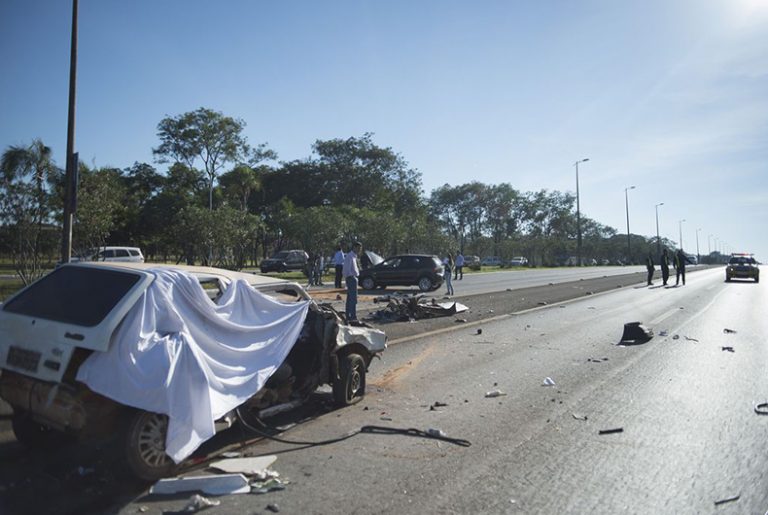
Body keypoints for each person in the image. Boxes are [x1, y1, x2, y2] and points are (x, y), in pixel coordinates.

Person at [343, 241, 362, 321]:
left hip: (354, 278)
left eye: (360, 248)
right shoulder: (349, 256)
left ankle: (349, 315)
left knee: (350, 298)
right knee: (353, 299)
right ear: (354, 247)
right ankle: (352, 316)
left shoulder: (354, 256)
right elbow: (346, 269)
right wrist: (350, 277)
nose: (359, 250)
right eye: (358, 248)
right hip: (351, 278)